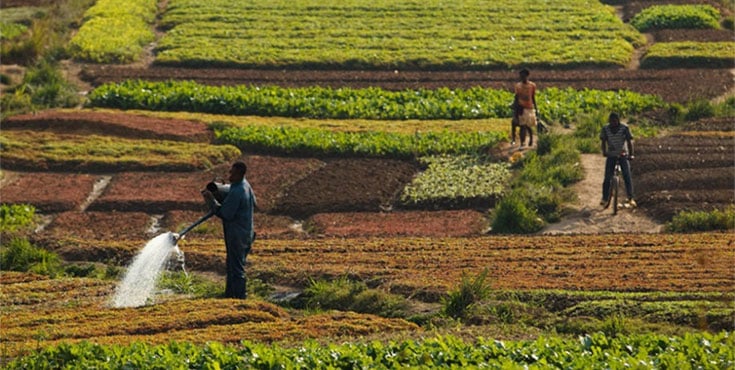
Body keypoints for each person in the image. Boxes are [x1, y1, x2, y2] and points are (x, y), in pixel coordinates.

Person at [202, 161, 257, 299]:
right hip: (247, 232)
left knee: (236, 268)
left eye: (232, 172)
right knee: (233, 264)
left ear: (239, 173)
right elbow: (254, 203)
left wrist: (211, 200)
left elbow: (226, 214)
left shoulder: (237, 191)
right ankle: (230, 296)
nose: (229, 175)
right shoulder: (245, 185)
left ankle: (239, 299)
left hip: (237, 235)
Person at [600, 112, 636, 208]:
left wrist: (631, 154)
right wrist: (604, 152)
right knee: (607, 177)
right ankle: (604, 198)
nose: (613, 123)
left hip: (623, 154)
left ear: (618, 121)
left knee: (627, 175)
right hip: (611, 154)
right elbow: (603, 141)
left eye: (615, 121)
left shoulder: (624, 128)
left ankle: (630, 198)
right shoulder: (605, 129)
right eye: (611, 121)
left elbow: (629, 141)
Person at [513, 68, 537, 148]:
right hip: (521, 108)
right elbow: (516, 98)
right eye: (521, 76)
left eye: (523, 76)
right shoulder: (518, 86)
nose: (521, 78)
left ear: (527, 76)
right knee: (522, 126)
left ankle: (531, 138)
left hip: (529, 108)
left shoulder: (532, 86)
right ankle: (522, 143)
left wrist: (536, 108)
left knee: (528, 126)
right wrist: (515, 109)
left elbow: (533, 97)